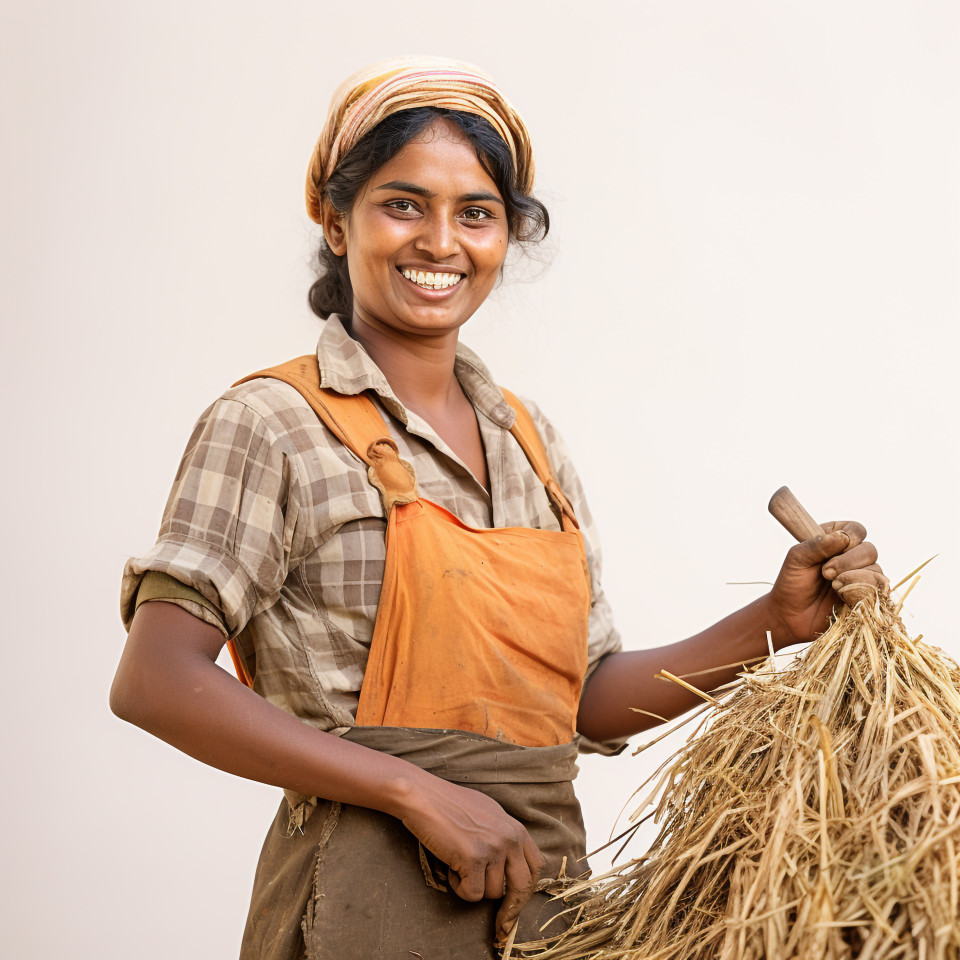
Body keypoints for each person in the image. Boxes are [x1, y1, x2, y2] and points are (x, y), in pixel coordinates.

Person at [110, 56, 887, 960]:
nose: (441, 241)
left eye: (475, 213)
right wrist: (413, 791)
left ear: (506, 237)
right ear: (334, 220)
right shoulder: (272, 423)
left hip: (545, 907)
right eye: (403, 203)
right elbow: (156, 679)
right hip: (361, 905)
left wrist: (775, 622)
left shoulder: (531, 441)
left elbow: (584, 706)